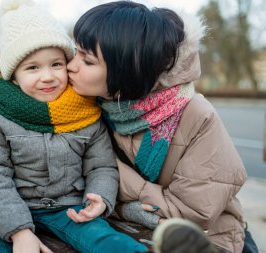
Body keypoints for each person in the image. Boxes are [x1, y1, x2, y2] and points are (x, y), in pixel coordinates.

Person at [67, 1, 255, 253]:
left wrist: (121, 199)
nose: (71, 65)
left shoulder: (197, 116)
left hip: (202, 239)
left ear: (127, 70)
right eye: (75, 52)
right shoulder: (86, 106)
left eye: (87, 60)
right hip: (130, 230)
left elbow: (194, 213)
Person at [0, 0, 151, 252]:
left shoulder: (87, 114)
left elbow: (101, 166)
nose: (47, 76)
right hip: (10, 208)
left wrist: (99, 197)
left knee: (111, 243)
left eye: (56, 64)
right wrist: (19, 231)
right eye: (32, 67)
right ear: (14, 76)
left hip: (69, 207)